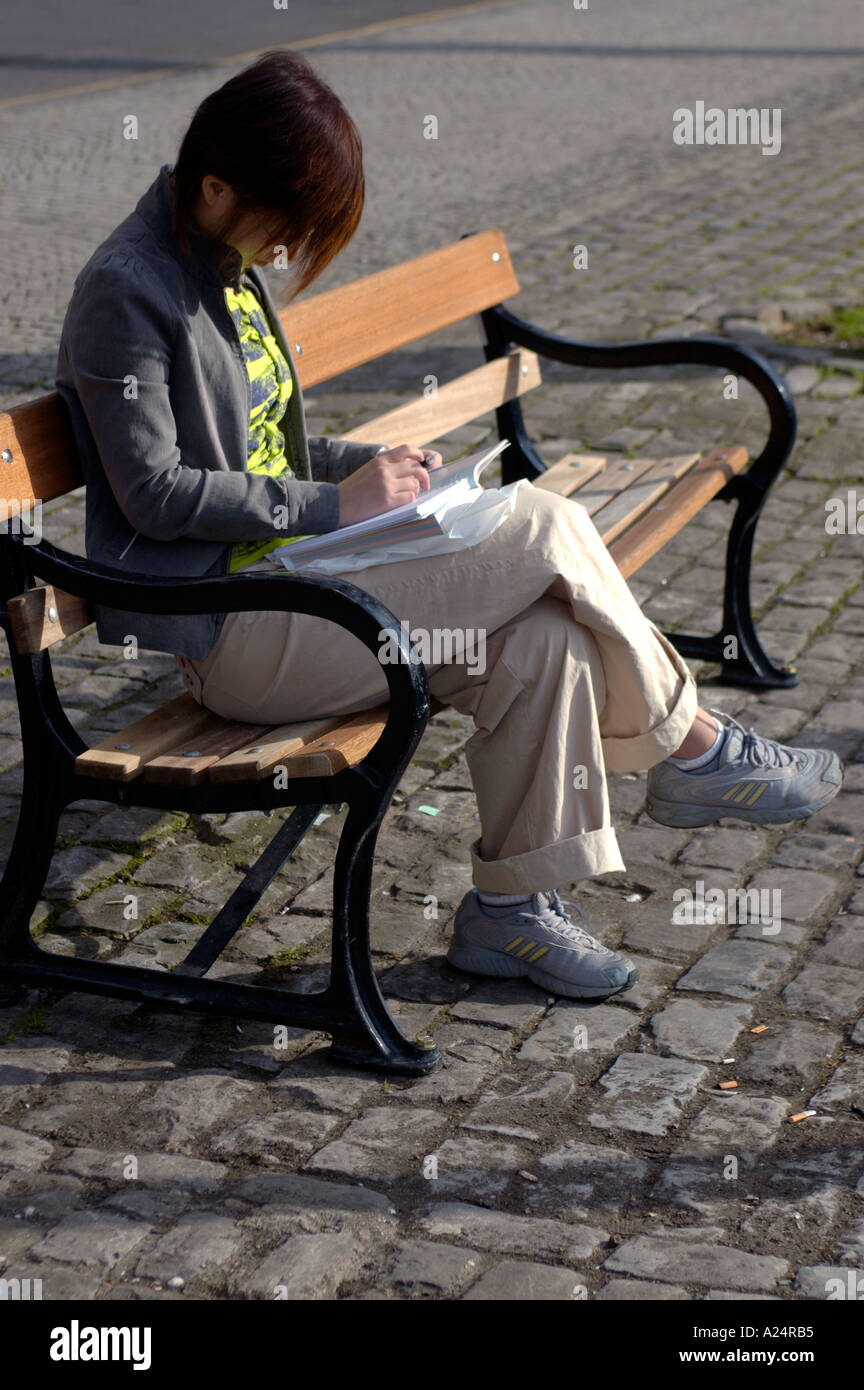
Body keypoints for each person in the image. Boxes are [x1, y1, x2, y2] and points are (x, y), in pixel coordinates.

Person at [56, 50, 842, 1003]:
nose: (287, 254)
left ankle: (509, 915)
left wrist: (369, 474)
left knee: (543, 639)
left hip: (310, 590)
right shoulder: (127, 289)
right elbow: (156, 493)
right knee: (542, 526)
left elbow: (262, 445)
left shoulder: (220, 262)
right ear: (216, 187)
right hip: (236, 628)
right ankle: (694, 748)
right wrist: (337, 507)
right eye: (286, 229)